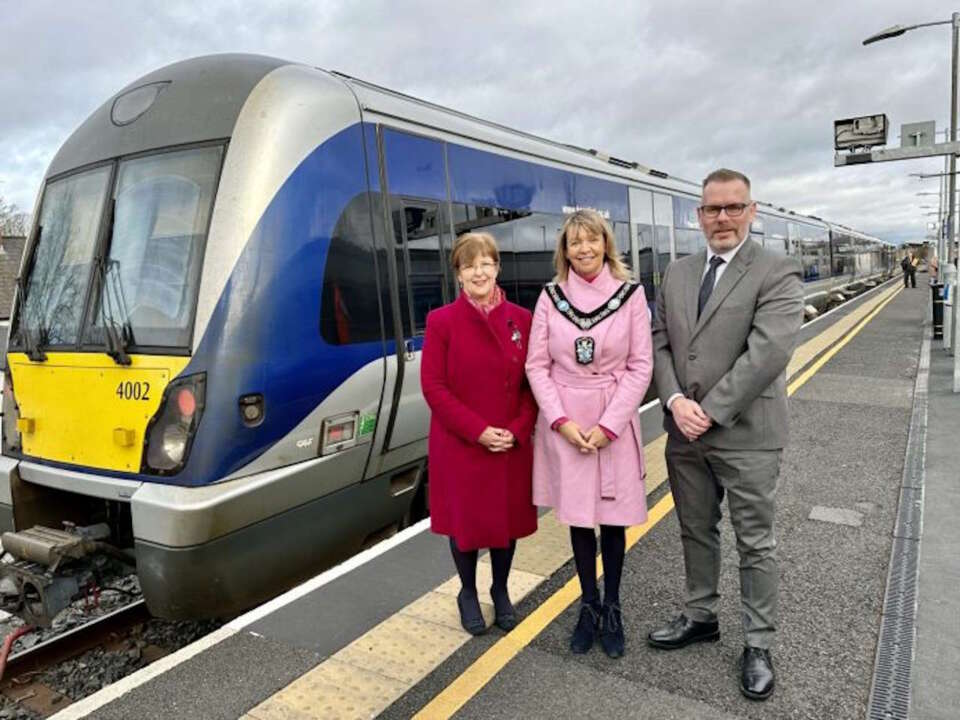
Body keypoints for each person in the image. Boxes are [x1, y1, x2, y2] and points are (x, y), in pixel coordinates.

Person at [648, 169, 803, 700]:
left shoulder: (777, 271)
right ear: (698, 216)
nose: (723, 218)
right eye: (713, 209)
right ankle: (701, 615)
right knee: (696, 529)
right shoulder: (677, 273)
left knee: (755, 541)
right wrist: (673, 401)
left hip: (748, 431)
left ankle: (758, 642)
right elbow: (661, 342)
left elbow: (769, 353)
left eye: (733, 207)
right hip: (685, 432)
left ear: (752, 211)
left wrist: (707, 411)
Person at [526, 209, 653, 659]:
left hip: (611, 417)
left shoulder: (631, 296)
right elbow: (537, 365)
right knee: (579, 518)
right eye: (575, 242)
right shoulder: (550, 297)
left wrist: (608, 426)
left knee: (613, 520)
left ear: (605, 244)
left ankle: (613, 606)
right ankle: (588, 605)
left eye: (592, 240)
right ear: (565, 249)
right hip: (567, 419)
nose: (584, 249)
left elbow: (641, 366)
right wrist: (561, 421)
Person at [421, 232, 538, 636]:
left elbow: (532, 385)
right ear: (458, 274)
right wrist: (478, 431)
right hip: (462, 444)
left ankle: (500, 590)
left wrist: (518, 430)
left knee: (505, 526)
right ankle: (468, 591)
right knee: (466, 527)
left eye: (486, 263)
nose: (479, 271)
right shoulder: (441, 322)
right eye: (469, 265)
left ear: (497, 268)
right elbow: (434, 387)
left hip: (509, 444)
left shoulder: (522, 320)